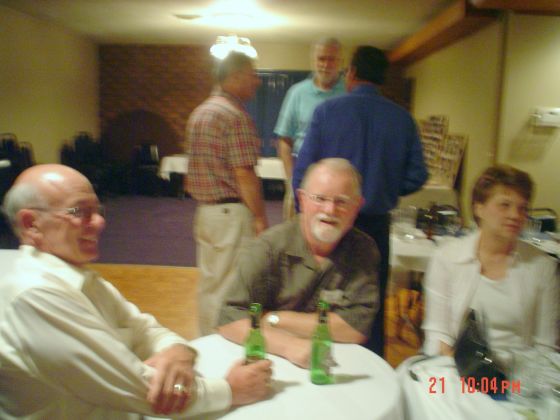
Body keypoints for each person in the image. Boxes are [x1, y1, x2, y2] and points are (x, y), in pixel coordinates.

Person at [0, 164, 272, 419]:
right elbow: (138, 390)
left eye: (98, 210)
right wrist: (231, 390)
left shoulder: (74, 276)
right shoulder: (35, 294)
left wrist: (180, 353)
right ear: (30, 224)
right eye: (79, 212)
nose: (99, 223)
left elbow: (143, 327)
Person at [292, 46, 428, 357]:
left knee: (319, 298)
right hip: (376, 224)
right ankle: (371, 368)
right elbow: (418, 175)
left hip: (329, 222)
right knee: (371, 304)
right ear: (382, 78)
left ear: (351, 73)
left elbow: (303, 172)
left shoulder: (327, 112)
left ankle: (317, 360)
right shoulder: (403, 119)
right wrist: (387, 186)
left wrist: (305, 219)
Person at [217, 158, 380, 368]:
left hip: (334, 362)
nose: (330, 210)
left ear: (357, 206)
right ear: (301, 199)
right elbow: (229, 319)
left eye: (341, 201)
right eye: (320, 198)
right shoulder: (267, 248)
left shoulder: (363, 250)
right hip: (269, 360)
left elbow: (355, 328)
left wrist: (275, 318)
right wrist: (289, 346)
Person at [422, 164, 559, 356]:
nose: (515, 215)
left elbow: (545, 346)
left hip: (518, 377)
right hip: (457, 368)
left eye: (522, 208)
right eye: (505, 205)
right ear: (479, 208)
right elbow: (437, 332)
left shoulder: (542, 266)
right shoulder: (446, 257)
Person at [185, 52, 269, 336]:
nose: (256, 82)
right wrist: (260, 217)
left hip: (205, 212)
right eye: (252, 75)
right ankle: (219, 347)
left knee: (210, 283)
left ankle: (206, 341)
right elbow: (244, 173)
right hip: (229, 213)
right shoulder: (234, 116)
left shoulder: (201, 112)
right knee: (229, 286)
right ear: (234, 77)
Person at [274, 37, 345, 220]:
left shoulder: (349, 93)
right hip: (302, 173)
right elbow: (284, 139)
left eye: (331, 59)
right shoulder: (297, 93)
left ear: (340, 62)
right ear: (314, 61)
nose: (325, 64)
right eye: (321, 59)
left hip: (338, 177)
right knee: (295, 236)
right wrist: (291, 180)